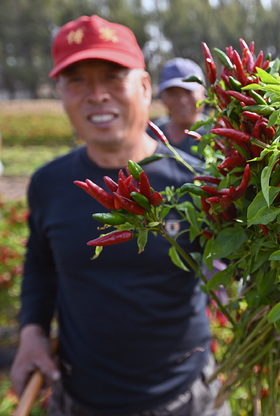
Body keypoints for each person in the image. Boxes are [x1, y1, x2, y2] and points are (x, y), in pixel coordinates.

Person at [9, 15, 229, 416]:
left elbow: (243, 262)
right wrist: (32, 333)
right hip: (79, 400)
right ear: (61, 93)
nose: (96, 95)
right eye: (77, 80)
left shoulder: (197, 182)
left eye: (113, 77)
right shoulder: (50, 184)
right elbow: (41, 266)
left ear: (145, 88)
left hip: (186, 399)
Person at [149, 58, 209, 159]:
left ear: (204, 93)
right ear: (162, 96)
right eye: (173, 93)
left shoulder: (218, 135)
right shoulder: (150, 135)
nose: (182, 101)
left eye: (188, 92)